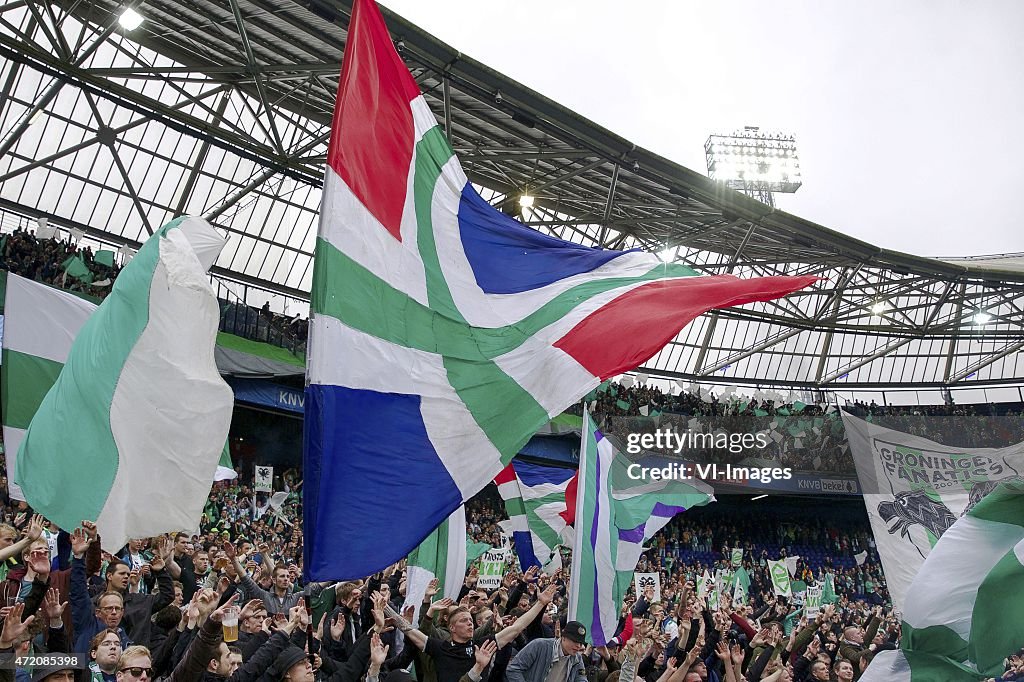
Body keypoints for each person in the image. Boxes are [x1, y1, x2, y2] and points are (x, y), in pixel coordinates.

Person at [505, 620, 588, 682]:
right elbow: (514, 669)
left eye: (581, 643)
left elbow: (581, 679)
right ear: (564, 637)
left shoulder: (577, 658)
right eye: (575, 641)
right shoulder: (539, 646)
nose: (578, 646)